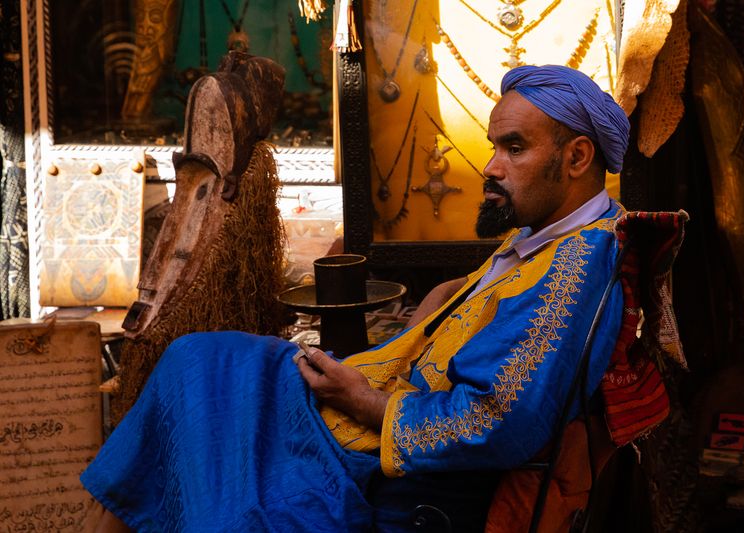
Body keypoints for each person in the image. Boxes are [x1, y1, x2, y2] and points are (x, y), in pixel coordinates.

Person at [82, 64, 631, 532]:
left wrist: (363, 401)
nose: (491, 167)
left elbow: (500, 423)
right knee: (197, 359)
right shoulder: (548, 233)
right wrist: (446, 298)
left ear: (578, 158)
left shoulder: (577, 266)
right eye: (495, 147)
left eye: (515, 148)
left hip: (373, 449)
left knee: (203, 409)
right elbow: (491, 302)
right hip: (371, 389)